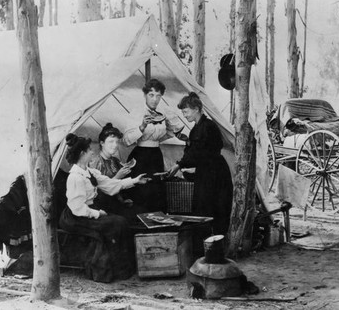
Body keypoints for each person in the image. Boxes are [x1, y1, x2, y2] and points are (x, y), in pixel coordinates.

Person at [59, 133, 149, 282]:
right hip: (75, 217)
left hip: (87, 211)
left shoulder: (89, 172)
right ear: (82, 154)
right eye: (89, 150)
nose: (92, 152)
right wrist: (97, 213)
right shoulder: (75, 177)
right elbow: (77, 208)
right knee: (116, 224)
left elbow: (110, 185)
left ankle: (121, 269)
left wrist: (135, 181)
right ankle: (107, 271)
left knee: (121, 222)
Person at [167, 92, 233, 237]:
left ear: (196, 109)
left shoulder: (208, 126)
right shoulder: (196, 129)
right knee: (203, 207)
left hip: (216, 173)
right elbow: (193, 151)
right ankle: (205, 243)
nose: (184, 115)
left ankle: (216, 242)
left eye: (186, 111)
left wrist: (180, 165)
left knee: (215, 207)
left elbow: (199, 152)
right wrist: (184, 163)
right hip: (206, 171)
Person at [123, 78, 184, 212]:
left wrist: (168, 123)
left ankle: (156, 225)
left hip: (156, 155)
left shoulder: (162, 113)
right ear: (145, 95)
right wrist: (142, 126)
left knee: (156, 191)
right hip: (140, 156)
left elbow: (168, 134)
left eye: (158, 96)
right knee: (142, 192)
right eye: (151, 95)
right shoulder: (137, 112)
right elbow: (126, 141)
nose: (155, 99)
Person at [89, 123, 146, 222]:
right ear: (102, 143)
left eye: (117, 142)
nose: (115, 145)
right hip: (102, 206)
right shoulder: (96, 162)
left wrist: (123, 200)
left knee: (142, 211)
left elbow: (121, 186)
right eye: (111, 142)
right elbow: (99, 191)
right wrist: (118, 176)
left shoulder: (115, 160)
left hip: (116, 202)